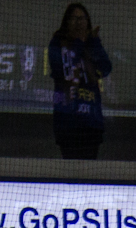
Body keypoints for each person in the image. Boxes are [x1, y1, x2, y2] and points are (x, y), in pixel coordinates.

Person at [49, 4, 112, 159]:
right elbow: (63, 69)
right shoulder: (57, 43)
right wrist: (78, 43)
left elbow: (106, 68)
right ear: (66, 22)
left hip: (91, 122)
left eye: (82, 18)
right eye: (74, 18)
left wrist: (95, 42)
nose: (78, 23)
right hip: (68, 121)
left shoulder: (91, 44)